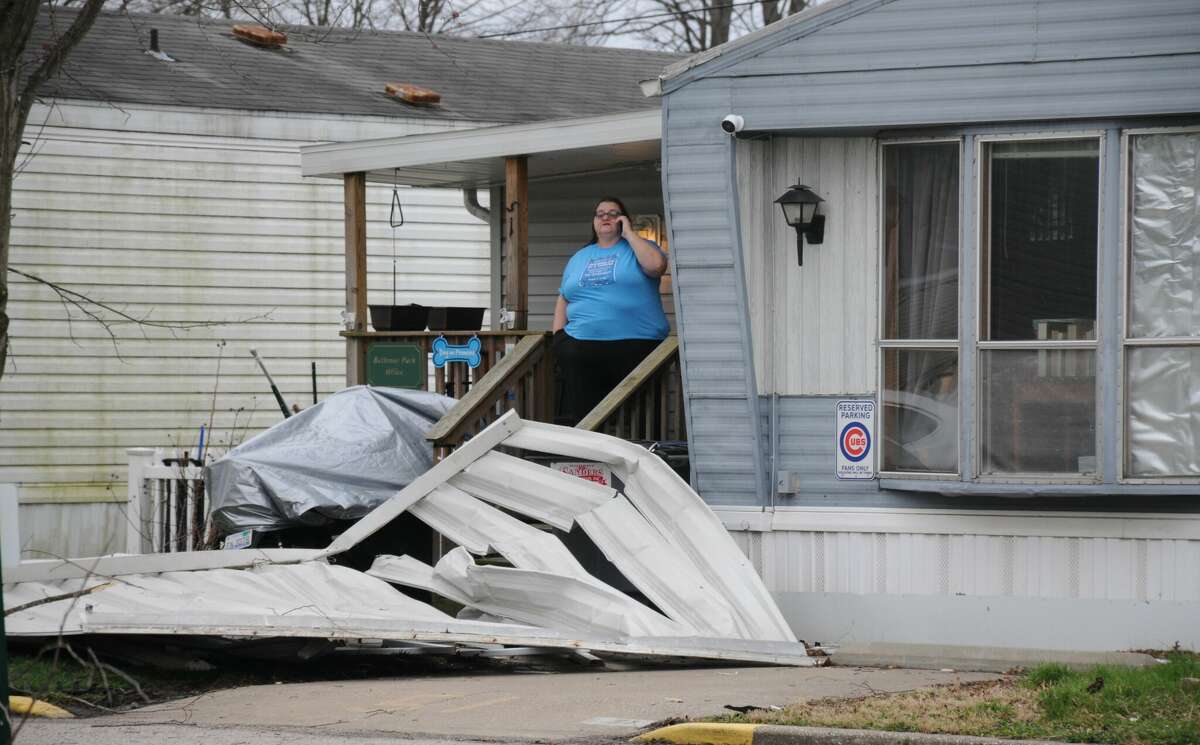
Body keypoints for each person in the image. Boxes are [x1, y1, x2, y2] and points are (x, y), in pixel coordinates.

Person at [553, 197, 669, 425]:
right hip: (581, 345)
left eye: (613, 213)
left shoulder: (639, 248)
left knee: (639, 413)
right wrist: (559, 336)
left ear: (623, 219)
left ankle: (640, 455)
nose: (605, 217)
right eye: (600, 213)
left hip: (636, 344)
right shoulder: (580, 257)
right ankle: (590, 455)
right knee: (587, 414)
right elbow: (564, 296)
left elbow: (656, 266)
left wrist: (629, 234)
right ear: (594, 222)